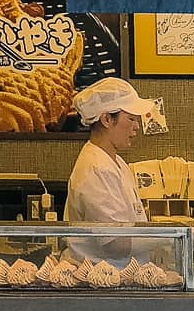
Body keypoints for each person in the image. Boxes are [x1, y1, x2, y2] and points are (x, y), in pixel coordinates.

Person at [64, 77, 156, 227]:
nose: (137, 127)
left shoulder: (117, 162)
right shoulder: (97, 169)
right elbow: (114, 238)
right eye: (131, 119)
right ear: (107, 119)